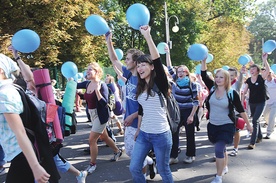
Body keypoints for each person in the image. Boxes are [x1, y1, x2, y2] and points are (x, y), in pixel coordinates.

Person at [9, 47, 87, 183]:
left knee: (46, 166)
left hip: (41, 140)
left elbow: (29, 77)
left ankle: (79, 174)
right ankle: (79, 174)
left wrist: (17, 58)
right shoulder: (18, 91)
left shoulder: (34, 92)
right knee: (49, 165)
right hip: (35, 141)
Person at [105, 32, 156, 179]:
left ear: (135, 62)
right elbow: (114, 59)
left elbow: (147, 106)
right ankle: (149, 162)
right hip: (128, 120)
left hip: (141, 122)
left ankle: (142, 177)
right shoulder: (128, 74)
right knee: (129, 151)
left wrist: (134, 115)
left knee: (136, 156)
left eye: (128, 59)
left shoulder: (144, 79)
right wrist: (109, 42)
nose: (125, 61)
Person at [129, 25, 173, 183]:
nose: (140, 68)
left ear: (151, 67)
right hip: (144, 135)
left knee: (163, 169)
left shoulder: (160, 83)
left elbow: (157, 60)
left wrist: (147, 36)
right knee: (134, 167)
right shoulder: (140, 87)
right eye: (138, 65)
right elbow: (142, 110)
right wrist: (139, 129)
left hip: (161, 135)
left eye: (143, 64)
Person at [0, 53, 50, 183]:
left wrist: (35, 166)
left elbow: (20, 132)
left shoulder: (4, 94)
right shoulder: (10, 89)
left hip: (21, 155)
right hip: (20, 154)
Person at [201, 57, 252, 183]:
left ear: (227, 79)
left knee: (218, 149)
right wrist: (203, 61)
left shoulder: (231, 93)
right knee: (222, 149)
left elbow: (241, 109)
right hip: (213, 125)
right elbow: (203, 75)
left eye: (221, 77)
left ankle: (218, 177)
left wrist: (249, 125)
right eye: (216, 77)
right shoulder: (212, 89)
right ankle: (224, 166)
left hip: (226, 125)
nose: (218, 79)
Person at [76, 62, 122, 174]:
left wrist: (97, 91)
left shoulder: (102, 85)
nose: (87, 71)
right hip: (92, 114)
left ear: (97, 72)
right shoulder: (87, 83)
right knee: (104, 137)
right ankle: (117, 151)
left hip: (101, 115)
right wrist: (72, 82)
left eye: (90, 69)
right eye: (87, 69)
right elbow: (77, 86)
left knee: (92, 140)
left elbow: (104, 103)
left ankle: (92, 164)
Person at [166, 50, 199, 164]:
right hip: (177, 111)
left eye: (182, 71)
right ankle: (174, 156)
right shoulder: (175, 80)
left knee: (190, 134)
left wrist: (191, 116)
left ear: (186, 72)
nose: (179, 73)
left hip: (189, 111)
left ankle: (190, 155)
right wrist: (167, 53)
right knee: (174, 133)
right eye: (178, 71)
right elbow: (169, 67)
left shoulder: (192, 84)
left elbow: (196, 102)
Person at [241, 53, 270, 149]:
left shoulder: (261, 78)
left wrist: (265, 60)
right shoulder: (249, 80)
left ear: (258, 71)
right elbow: (244, 91)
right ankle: (260, 136)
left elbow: (268, 70)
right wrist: (241, 102)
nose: (251, 70)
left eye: (254, 69)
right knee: (255, 120)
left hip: (261, 102)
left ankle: (252, 142)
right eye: (251, 69)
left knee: (254, 120)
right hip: (252, 102)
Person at [227, 67, 246, 157]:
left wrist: (242, 73)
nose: (230, 77)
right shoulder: (222, 84)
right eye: (228, 75)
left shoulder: (237, 84)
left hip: (236, 111)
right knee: (224, 130)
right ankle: (222, 151)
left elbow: (241, 81)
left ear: (235, 76)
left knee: (236, 131)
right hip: (225, 111)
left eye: (232, 75)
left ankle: (235, 148)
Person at [263, 69, 276, 139]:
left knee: (272, 117)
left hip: (275, 102)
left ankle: (269, 132)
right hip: (267, 102)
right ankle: (271, 124)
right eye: (267, 73)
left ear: (272, 74)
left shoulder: (275, 81)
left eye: (270, 73)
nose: (268, 74)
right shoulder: (264, 82)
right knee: (265, 115)